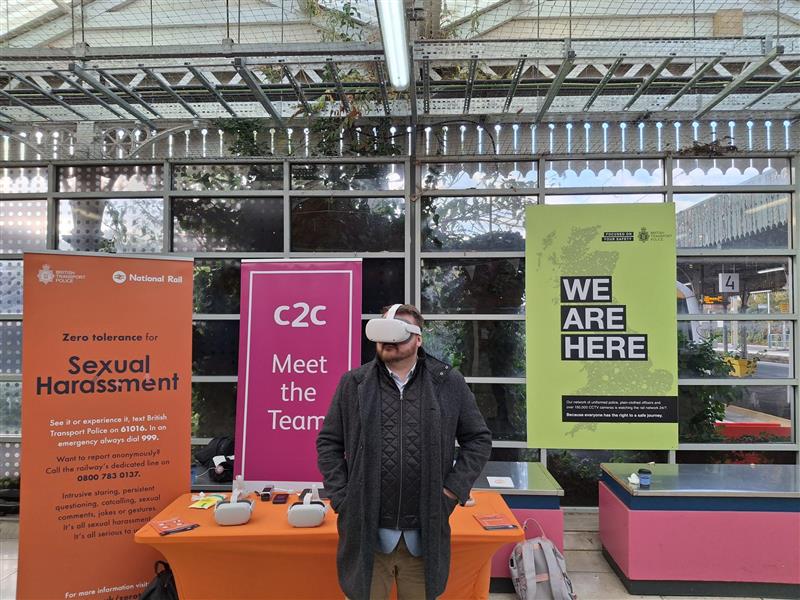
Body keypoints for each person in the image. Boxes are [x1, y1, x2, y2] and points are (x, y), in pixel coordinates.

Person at [316, 303, 492, 600]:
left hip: (424, 538)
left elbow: (478, 439)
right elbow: (329, 442)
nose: (389, 341)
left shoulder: (447, 382)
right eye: (383, 333)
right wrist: (343, 497)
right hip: (367, 536)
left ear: (418, 338)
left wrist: (451, 491)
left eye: (397, 333)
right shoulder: (354, 383)